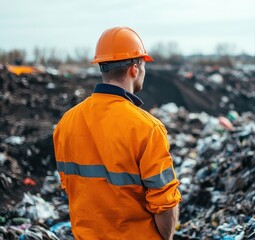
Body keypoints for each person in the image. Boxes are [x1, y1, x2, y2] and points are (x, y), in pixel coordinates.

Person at [53, 26, 182, 240]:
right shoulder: (148, 128)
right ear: (134, 68)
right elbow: (164, 202)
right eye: (143, 65)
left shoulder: (67, 122)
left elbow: (70, 185)